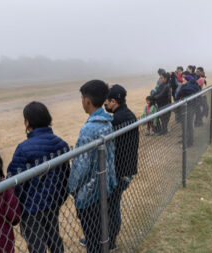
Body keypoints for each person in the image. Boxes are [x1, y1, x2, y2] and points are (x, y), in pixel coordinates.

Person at [7, 101, 70, 253]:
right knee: (54, 237)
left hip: (31, 207)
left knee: (36, 244)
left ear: (27, 122)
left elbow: (15, 180)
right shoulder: (61, 144)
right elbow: (65, 176)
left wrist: (22, 204)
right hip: (53, 201)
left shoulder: (23, 149)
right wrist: (59, 198)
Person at [67, 80, 117, 253]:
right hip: (104, 186)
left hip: (90, 192)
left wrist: (72, 188)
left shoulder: (89, 129)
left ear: (87, 100)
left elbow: (81, 165)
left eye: (82, 98)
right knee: (100, 231)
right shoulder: (107, 122)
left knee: (92, 236)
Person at [103, 84, 139, 250]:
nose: (105, 104)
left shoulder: (117, 119)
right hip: (127, 169)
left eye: (107, 101)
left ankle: (109, 242)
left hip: (119, 171)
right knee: (113, 205)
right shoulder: (128, 114)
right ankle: (109, 240)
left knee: (111, 207)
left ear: (114, 101)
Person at [175, 72, 200, 146]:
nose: (182, 80)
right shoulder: (195, 86)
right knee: (189, 125)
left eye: (184, 79)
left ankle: (188, 142)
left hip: (186, 107)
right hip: (192, 106)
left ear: (187, 80)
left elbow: (177, 95)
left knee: (187, 125)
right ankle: (189, 141)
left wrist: (182, 87)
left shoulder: (185, 87)